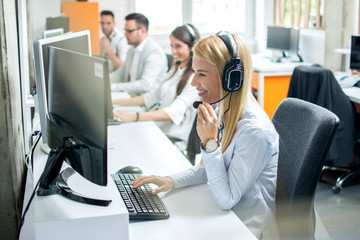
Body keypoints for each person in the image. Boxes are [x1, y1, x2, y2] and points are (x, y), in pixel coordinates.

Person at [131, 32, 279, 239]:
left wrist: (210, 143)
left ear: (231, 78)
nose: (193, 83)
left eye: (201, 74)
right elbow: (207, 170)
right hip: (225, 217)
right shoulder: (224, 109)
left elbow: (227, 199)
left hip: (246, 227)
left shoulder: (254, 131)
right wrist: (170, 180)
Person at [112, 24, 200, 152]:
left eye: (178, 46)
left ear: (192, 47)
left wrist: (133, 117)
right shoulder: (176, 68)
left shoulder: (194, 79)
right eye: (171, 45)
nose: (173, 51)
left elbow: (172, 112)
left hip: (171, 141)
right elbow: (150, 97)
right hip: (157, 130)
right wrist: (112, 102)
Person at [110, 13, 168, 96]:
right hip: (131, 97)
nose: (125, 35)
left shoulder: (155, 52)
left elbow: (145, 85)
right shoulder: (131, 50)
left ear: (143, 31)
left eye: (129, 31)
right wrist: (102, 81)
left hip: (146, 104)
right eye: (125, 31)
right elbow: (120, 74)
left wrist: (113, 87)